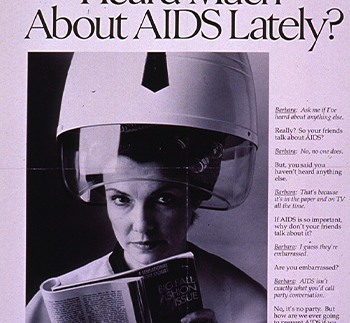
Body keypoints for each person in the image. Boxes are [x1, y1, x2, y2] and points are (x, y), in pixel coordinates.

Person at [26, 52, 267, 323]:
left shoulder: (252, 309)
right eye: (121, 199)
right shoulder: (47, 310)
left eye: (164, 199)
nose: (141, 225)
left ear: (194, 197)